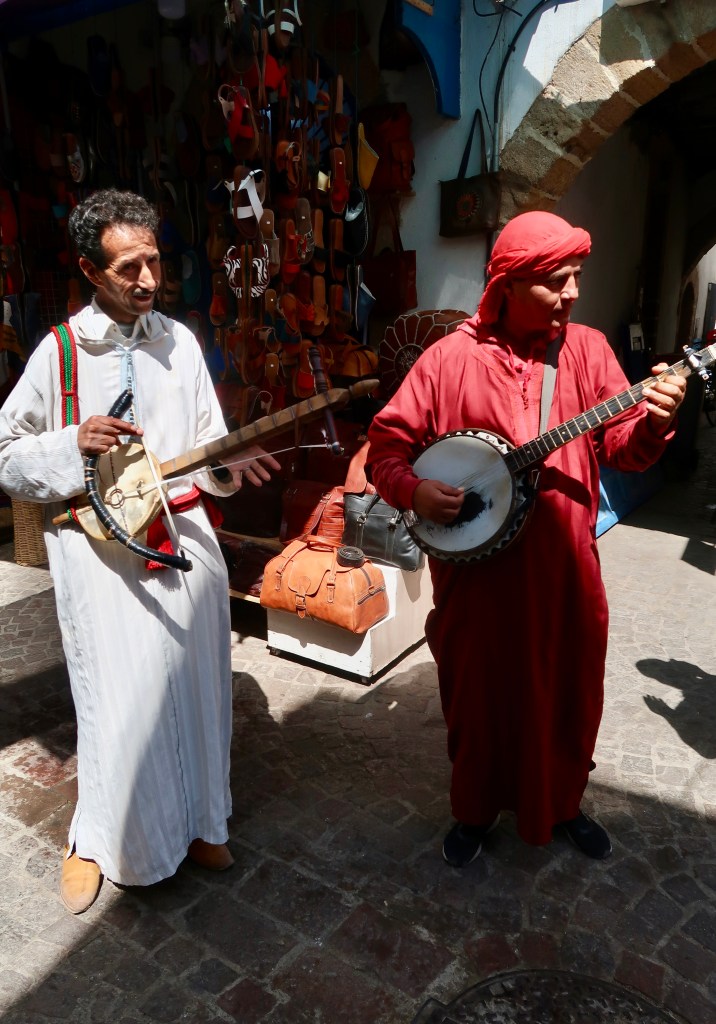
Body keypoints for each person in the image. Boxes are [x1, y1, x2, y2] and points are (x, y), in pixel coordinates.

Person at [367, 211, 686, 866]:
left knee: (567, 689)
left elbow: (622, 450)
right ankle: (474, 811)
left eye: (576, 278)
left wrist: (654, 422)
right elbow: (387, 447)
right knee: (478, 696)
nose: (572, 293)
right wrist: (414, 491)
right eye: (556, 281)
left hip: (564, 574)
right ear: (507, 286)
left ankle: (562, 804)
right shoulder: (447, 360)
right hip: (476, 582)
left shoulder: (590, 351)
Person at [0, 189, 279, 912]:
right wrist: (72, 442)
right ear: (91, 270)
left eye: (153, 259)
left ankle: (199, 824)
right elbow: (6, 454)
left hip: (185, 545)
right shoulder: (59, 351)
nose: (148, 278)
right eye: (129, 266)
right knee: (115, 702)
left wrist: (226, 468)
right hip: (100, 559)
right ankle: (100, 837)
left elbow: (205, 445)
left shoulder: (180, 343)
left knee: (194, 691)